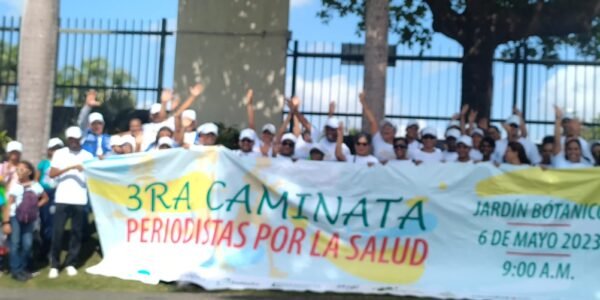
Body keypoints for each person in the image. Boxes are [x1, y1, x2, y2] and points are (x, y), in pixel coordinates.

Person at [48, 126, 94, 279]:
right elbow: (52, 173)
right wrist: (70, 168)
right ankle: (54, 264)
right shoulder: (60, 154)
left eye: (76, 139)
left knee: (76, 232)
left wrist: (85, 170)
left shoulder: (87, 155)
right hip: (62, 198)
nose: (74, 142)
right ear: (68, 140)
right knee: (58, 232)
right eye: (71, 139)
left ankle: (71, 263)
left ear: (80, 139)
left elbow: (93, 175)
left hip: (80, 199)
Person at [6, 161, 48, 281]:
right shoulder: (16, 186)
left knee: (27, 244)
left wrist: (35, 207)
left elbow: (45, 198)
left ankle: (23, 268)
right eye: (17, 169)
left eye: (22, 169)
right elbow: (8, 205)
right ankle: (16, 270)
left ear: (29, 172)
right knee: (15, 244)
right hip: (15, 218)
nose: (19, 171)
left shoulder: (36, 186)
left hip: (30, 219)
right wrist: (6, 222)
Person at [36, 138, 63, 261]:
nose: (55, 151)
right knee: (44, 221)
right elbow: (36, 180)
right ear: (49, 150)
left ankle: (51, 250)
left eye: (58, 148)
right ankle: (43, 248)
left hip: (57, 194)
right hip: (44, 193)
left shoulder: (63, 163)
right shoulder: (43, 163)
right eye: (53, 149)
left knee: (53, 223)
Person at [359, 92, 396, 163]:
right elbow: (372, 121)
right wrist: (363, 102)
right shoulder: (377, 139)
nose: (386, 128)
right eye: (384, 127)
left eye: (389, 127)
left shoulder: (399, 146)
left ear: (394, 132)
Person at [77, 90, 111, 158]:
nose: (97, 126)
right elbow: (82, 121)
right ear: (89, 125)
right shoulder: (84, 135)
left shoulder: (109, 139)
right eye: (94, 124)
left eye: (99, 123)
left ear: (103, 125)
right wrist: (87, 106)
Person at [245, 89, 277, 157]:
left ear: (273, 136)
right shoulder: (256, 142)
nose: (266, 135)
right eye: (265, 132)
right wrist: (249, 104)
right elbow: (251, 124)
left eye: (269, 133)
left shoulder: (275, 147)